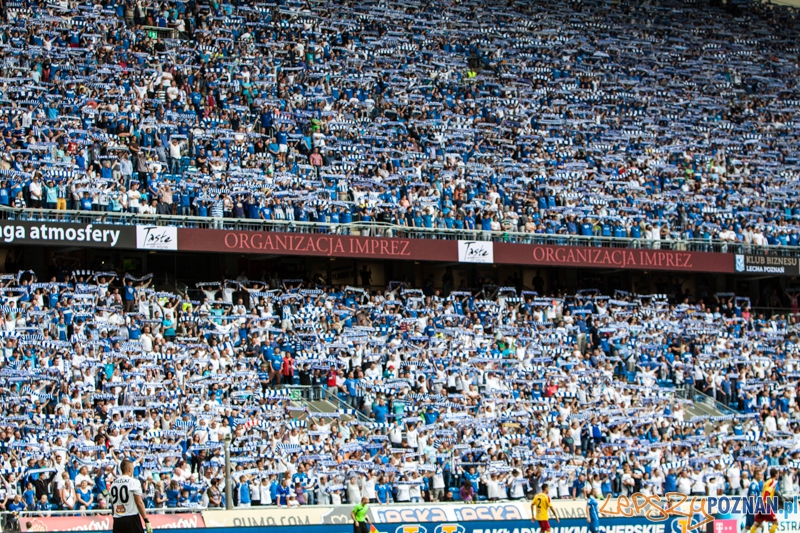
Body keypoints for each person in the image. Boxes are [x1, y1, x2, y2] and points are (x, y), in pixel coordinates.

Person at [111, 460, 152, 533]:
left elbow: (112, 504)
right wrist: (146, 519)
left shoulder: (114, 483)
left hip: (117, 520)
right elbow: (139, 502)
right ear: (130, 469)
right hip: (131, 518)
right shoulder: (134, 482)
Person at [750, 468, 779, 533]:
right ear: (776, 474)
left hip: (761, 503)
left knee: (757, 523)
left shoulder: (767, 481)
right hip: (765, 504)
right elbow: (767, 492)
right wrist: (768, 504)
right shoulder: (773, 482)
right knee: (776, 522)